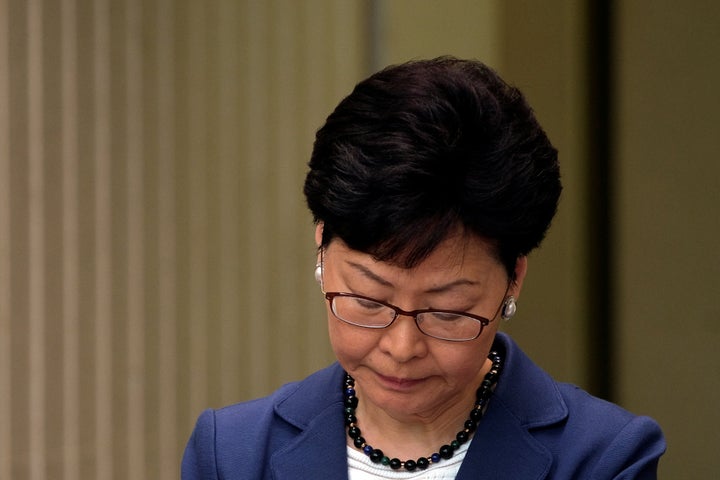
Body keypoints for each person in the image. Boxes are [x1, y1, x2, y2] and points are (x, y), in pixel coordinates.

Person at [182, 57, 665, 479]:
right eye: (368, 301)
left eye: (448, 312)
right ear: (321, 251)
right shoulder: (233, 454)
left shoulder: (601, 457)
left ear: (514, 277)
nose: (402, 348)